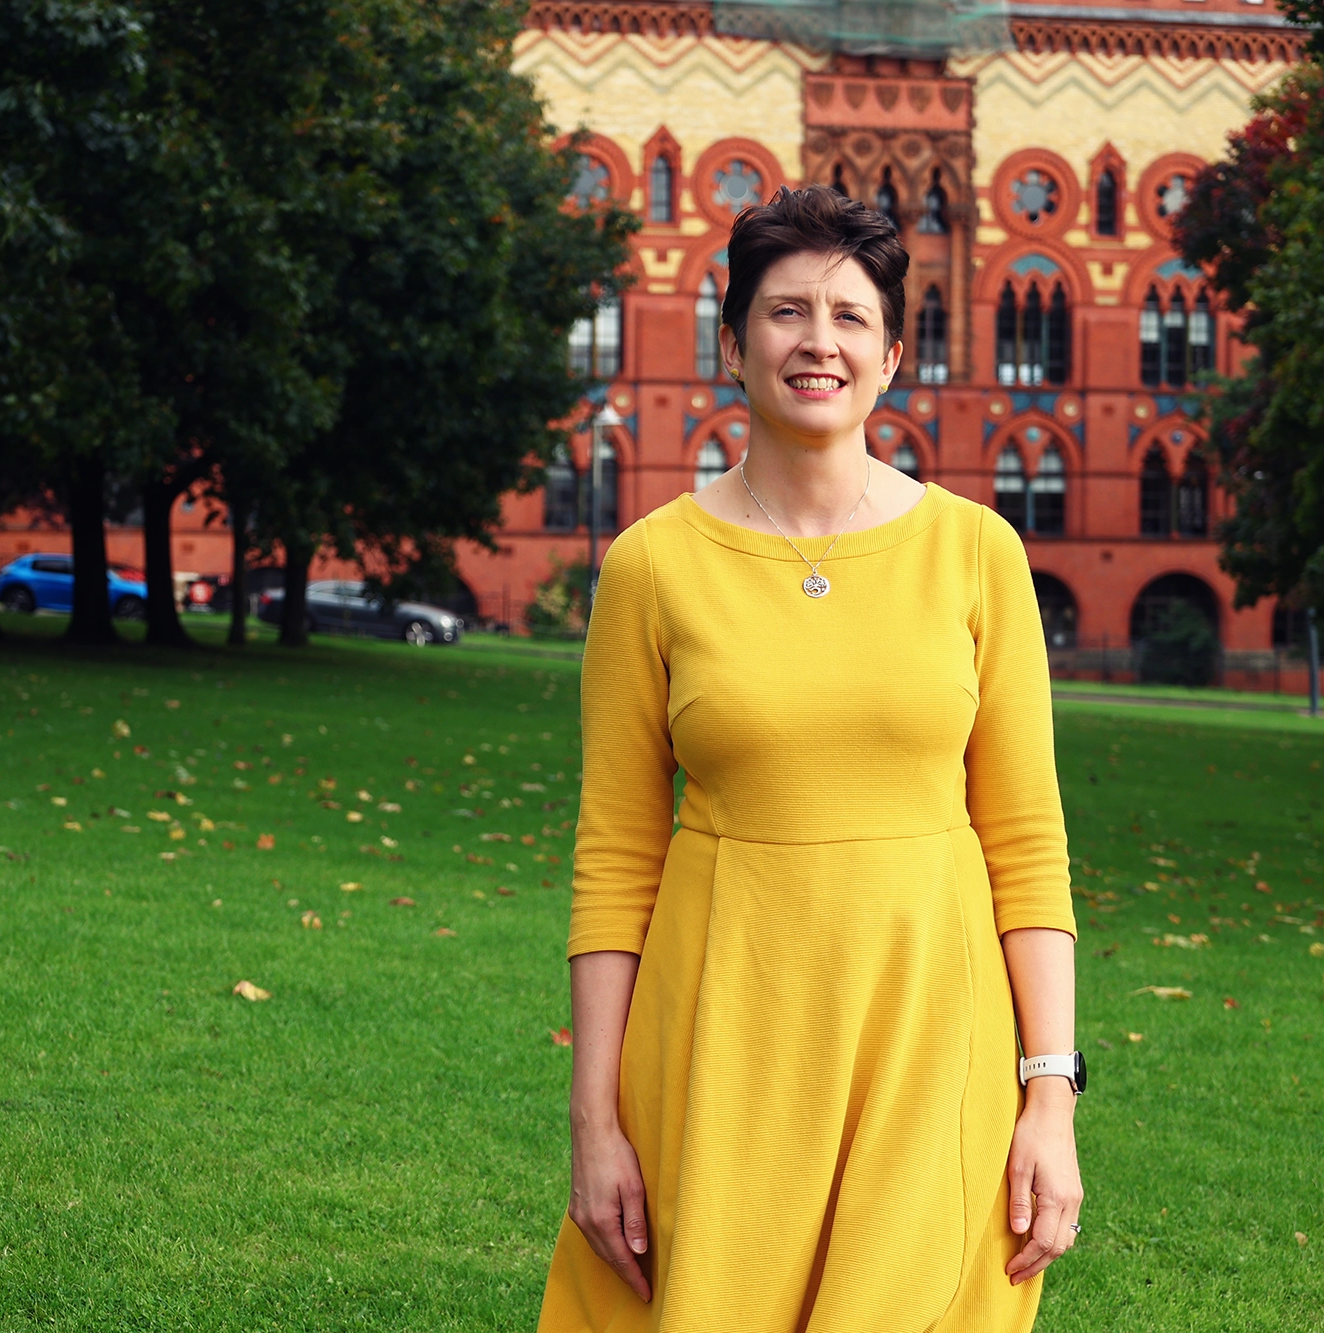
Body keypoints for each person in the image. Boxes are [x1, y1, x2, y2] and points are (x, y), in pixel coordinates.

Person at [537, 186, 1083, 1333]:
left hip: (931, 1028)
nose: (816, 340)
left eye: (847, 315)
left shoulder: (977, 553)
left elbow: (1028, 845)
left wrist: (1049, 1098)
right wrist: (594, 1123)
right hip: (722, 1024)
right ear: (731, 344)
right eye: (784, 312)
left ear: (891, 353)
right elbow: (615, 856)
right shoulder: (650, 567)